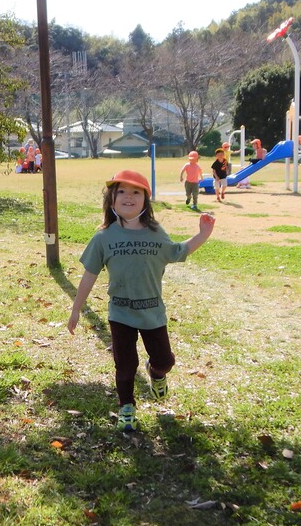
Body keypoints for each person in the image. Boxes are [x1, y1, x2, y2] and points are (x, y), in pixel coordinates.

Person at [67, 170, 216, 432]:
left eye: (136, 192)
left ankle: (156, 374)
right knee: (125, 366)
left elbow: (178, 252)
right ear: (111, 199)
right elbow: (89, 275)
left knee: (165, 361)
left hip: (152, 314)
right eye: (121, 191)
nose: (128, 196)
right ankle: (127, 407)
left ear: (145, 200)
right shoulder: (104, 237)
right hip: (120, 314)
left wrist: (203, 233)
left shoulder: (155, 233)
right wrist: (76, 309)